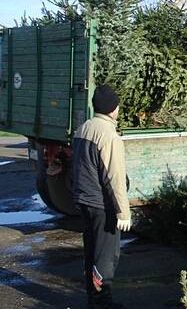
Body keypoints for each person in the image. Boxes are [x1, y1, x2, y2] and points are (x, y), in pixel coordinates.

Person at [72, 85, 130, 309]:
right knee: (106, 256)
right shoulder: (109, 136)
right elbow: (114, 178)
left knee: (92, 253)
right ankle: (102, 303)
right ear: (113, 109)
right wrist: (123, 213)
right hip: (102, 205)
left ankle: (94, 301)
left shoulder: (83, 128)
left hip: (84, 200)